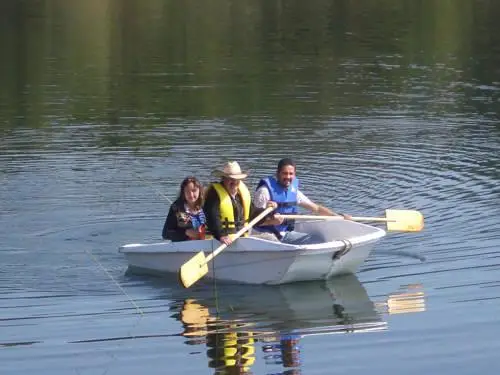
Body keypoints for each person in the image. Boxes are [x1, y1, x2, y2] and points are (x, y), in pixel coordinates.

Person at [253, 158, 351, 244]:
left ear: (294, 175)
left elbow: (316, 208)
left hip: (285, 234)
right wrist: (271, 221)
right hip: (264, 235)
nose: (288, 177)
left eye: (291, 174)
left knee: (318, 240)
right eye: (284, 173)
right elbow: (253, 222)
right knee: (277, 242)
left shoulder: (294, 192)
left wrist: (339, 217)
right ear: (277, 173)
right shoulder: (264, 191)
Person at [203, 161, 277, 246]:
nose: (234, 182)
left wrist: (267, 212)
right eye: (231, 179)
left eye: (237, 179)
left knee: (271, 238)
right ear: (223, 179)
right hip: (219, 241)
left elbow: (252, 214)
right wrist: (221, 235)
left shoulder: (241, 194)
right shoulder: (214, 194)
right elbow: (212, 216)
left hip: (240, 238)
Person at [162, 176, 206, 241]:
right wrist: (186, 233)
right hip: (184, 246)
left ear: (199, 190)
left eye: (194, 190)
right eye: (187, 191)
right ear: (183, 193)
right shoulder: (177, 208)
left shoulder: (207, 205)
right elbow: (165, 234)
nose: (191, 195)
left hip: (208, 244)